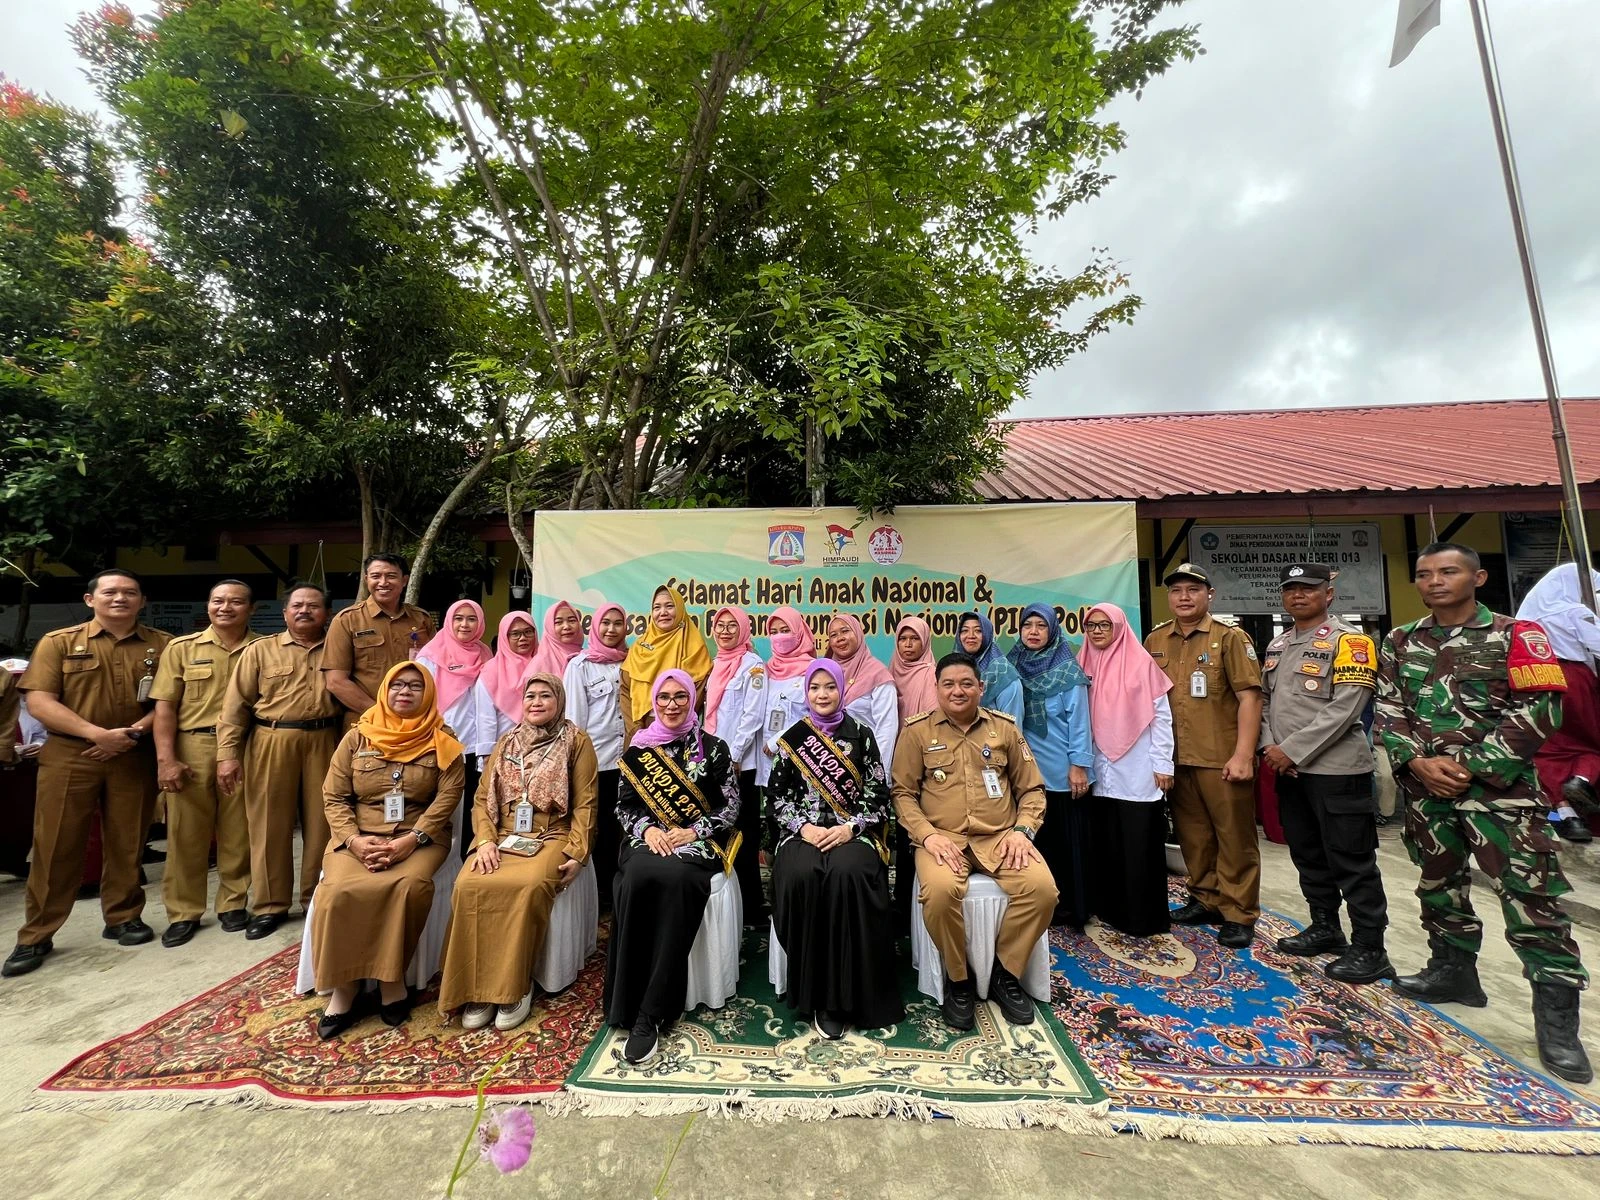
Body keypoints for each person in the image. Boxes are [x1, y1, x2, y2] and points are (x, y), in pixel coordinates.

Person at [1376, 542, 1590, 1084]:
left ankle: (1557, 1021)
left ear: (1478, 577)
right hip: (1428, 792)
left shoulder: (1521, 635)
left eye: (1448, 571)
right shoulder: (1401, 639)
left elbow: (1544, 708)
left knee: (1532, 899)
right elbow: (1388, 707)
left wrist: (1471, 763)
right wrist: (1418, 762)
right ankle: (1453, 972)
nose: (1435, 581)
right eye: (1425, 573)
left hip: (1503, 793)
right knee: (1438, 885)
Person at [3, 570, 171, 977]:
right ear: (89, 599)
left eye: (130, 593)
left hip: (133, 753)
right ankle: (36, 934)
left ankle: (123, 917)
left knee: (128, 839)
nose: (120, 599)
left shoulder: (162, 645)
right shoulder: (59, 642)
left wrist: (130, 734)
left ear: (142, 600)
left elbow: (168, 701)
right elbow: (41, 701)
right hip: (70, 754)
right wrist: (96, 733)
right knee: (56, 842)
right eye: (110, 592)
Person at [891, 653, 1056, 1031]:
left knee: (1042, 890)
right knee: (940, 893)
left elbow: (1032, 790)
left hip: (1001, 837)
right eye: (948, 684)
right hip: (942, 840)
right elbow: (902, 794)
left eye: (967, 683)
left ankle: (1006, 973)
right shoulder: (916, 732)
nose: (958, 690)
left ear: (981, 688)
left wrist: (1022, 831)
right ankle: (959, 980)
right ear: (936, 689)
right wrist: (928, 836)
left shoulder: (1005, 730)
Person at [310, 663, 464, 1038]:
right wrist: (354, 840)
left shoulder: (443, 738)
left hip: (419, 838)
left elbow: (448, 797)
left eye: (414, 686)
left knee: (408, 887)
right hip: (357, 836)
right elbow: (334, 796)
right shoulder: (357, 737)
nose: (405, 692)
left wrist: (410, 840)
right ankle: (344, 989)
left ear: (427, 693)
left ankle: (390, 981)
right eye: (396, 685)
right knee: (336, 892)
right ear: (385, 691)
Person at [439, 672, 598, 1030]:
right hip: (502, 834)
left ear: (559, 701)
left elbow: (586, 804)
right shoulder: (506, 741)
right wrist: (484, 841)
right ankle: (476, 988)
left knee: (527, 886)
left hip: (551, 835)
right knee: (469, 885)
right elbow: (482, 800)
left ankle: (514, 987)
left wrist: (576, 852)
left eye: (546, 696)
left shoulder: (576, 741)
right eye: (530, 696)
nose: (537, 702)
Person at [1259, 564, 1392, 983]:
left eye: (1308, 589)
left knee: (1351, 860)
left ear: (1328, 594)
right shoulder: (1277, 645)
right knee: (1307, 853)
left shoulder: (1352, 642)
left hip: (1336, 770)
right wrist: (1270, 747)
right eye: (1291, 589)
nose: (1299, 596)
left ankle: (1371, 947)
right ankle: (1325, 927)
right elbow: (1265, 703)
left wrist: (1291, 751)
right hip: (1288, 770)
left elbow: (1348, 706)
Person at [606, 670, 741, 1065]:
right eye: (663, 697)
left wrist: (693, 831)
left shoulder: (713, 749)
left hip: (695, 844)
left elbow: (730, 807)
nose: (671, 704)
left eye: (680, 696)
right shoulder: (639, 750)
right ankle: (627, 998)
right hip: (648, 842)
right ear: (652, 701)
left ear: (692, 700)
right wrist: (647, 831)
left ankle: (651, 1011)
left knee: (677, 879)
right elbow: (624, 806)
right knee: (636, 877)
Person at [768, 659, 902, 1038]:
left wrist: (849, 828)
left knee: (849, 873)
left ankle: (848, 995)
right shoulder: (794, 738)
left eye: (830, 687)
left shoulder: (862, 734)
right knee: (801, 874)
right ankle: (814, 992)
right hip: (804, 833)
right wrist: (804, 827)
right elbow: (777, 799)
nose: (822, 694)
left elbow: (878, 796)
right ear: (806, 692)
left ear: (842, 689)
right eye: (815, 688)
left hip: (851, 834)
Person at [1144, 563, 1264, 949]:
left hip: (1221, 756)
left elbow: (1250, 697)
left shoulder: (1229, 638)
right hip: (1177, 758)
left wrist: (1244, 754)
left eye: (1192, 590)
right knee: (1193, 836)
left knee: (1234, 836)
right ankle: (1205, 897)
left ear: (1208, 595)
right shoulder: (1156, 639)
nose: (1184, 597)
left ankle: (1239, 911)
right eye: (1176, 590)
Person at [216, 584, 343, 940]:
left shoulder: (338, 649)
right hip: (271, 739)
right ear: (285, 612)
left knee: (324, 823)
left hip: (325, 740)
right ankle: (270, 905)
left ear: (327, 613)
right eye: (297, 606)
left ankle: (315, 898)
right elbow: (234, 708)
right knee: (268, 825)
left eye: (314, 606)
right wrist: (227, 756)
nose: (305, 611)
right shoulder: (260, 651)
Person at [149, 579, 261, 948]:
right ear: (208, 605)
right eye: (217, 601)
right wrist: (166, 761)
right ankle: (183, 912)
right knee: (185, 834)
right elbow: (164, 708)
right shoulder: (181, 649)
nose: (225, 607)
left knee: (240, 830)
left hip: (246, 746)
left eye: (235, 602)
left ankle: (233, 903)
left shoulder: (263, 649)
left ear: (252, 608)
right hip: (193, 745)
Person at [1076, 603, 1174, 938]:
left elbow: (1161, 715)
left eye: (1105, 625)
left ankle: (1142, 917)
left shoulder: (1141, 663)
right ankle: (1109, 908)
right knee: (1106, 843)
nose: (1098, 631)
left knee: (1138, 842)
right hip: (1099, 767)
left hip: (1137, 767)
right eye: (1091, 626)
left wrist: (1163, 762)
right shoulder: (1082, 662)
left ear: (1119, 627)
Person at [1005, 604, 1094, 928]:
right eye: (1027, 625)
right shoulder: (1011, 666)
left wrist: (1079, 765)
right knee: (1035, 842)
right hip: (1026, 773)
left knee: (1065, 844)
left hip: (1061, 773)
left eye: (1040, 626)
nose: (1032, 631)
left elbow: (1080, 722)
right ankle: (1038, 906)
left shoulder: (1068, 671)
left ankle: (1070, 909)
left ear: (1053, 630)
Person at [1515, 562, 1600, 843]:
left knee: (1546, 749)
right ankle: (1583, 781)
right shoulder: (1575, 612)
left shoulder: (1526, 618)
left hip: (1536, 678)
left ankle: (1568, 816)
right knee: (1590, 742)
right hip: (1574, 679)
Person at [702, 605, 768, 925]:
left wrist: (734, 755)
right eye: (720, 625)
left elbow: (752, 717)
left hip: (740, 764)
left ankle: (751, 907)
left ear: (743, 629)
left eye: (732, 625)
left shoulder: (752, 665)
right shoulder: (715, 664)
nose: (725, 631)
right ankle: (726, 905)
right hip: (713, 762)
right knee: (719, 829)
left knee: (744, 832)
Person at [414, 600, 492, 859]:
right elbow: (421, 702)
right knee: (442, 810)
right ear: (449, 621)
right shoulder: (431, 654)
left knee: (471, 808)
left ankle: (465, 868)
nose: (464, 624)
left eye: (471, 619)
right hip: (441, 743)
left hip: (476, 746)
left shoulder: (485, 655)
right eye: (458, 618)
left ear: (480, 623)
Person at [322, 553, 436, 728]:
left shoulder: (421, 619)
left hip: (417, 723)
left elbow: (436, 672)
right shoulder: (347, 620)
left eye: (391, 576)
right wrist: (381, 714)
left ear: (404, 580)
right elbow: (336, 681)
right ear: (367, 580)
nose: (383, 582)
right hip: (366, 721)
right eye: (376, 576)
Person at [563, 603, 628, 906]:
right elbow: (574, 719)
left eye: (618, 624)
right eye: (606, 623)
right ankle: (597, 896)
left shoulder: (630, 663)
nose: (612, 630)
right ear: (595, 627)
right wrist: (578, 762)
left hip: (626, 761)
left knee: (621, 828)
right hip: (596, 761)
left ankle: (617, 893)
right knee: (596, 826)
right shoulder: (580, 665)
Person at [621, 586, 713, 733]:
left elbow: (698, 692)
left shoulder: (694, 648)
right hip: (640, 729)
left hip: (680, 731)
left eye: (669, 606)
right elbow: (625, 690)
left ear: (680, 610)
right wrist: (635, 731)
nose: (662, 612)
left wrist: (673, 724)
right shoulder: (639, 647)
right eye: (657, 607)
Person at [825, 613, 900, 767]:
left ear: (858, 633)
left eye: (845, 631)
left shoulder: (878, 675)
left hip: (864, 763)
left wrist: (878, 773)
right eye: (833, 635)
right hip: (827, 765)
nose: (840, 638)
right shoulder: (825, 674)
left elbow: (887, 729)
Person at [756, 606, 818, 788]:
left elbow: (818, 718)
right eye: (773, 632)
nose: (779, 637)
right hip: (767, 761)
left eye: (785, 630)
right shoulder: (766, 670)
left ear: (799, 633)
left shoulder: (814, 670)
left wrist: (780, 739)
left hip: (801, 760)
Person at [474, 611, 539, 750]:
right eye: (515, 634)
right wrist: (486, 755)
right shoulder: (491, 672)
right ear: (504, 637)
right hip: (505, 749)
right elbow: (485, 718)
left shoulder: (544, 664)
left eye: (528, 632)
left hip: (543, 748)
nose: (523, 638)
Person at [957, 612, 1024, 724]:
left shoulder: (1004, 674)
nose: (971, 635)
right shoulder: (954, 667)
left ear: (988, 634)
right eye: (964, 630)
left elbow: (1013, 728)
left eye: (978, 630)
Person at [524, 600, 586, 683]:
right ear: (549, 627)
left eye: (572, 621)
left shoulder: (585, 657)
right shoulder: (540, 663)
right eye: (558, 622)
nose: (566, 626)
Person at [890, 616, 939, 722]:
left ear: (924, 642)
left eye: (915, 638)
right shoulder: (890, 672)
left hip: (920, 735)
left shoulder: (930, 674)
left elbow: (934, 714)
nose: (908, 644)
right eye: (903, 639)